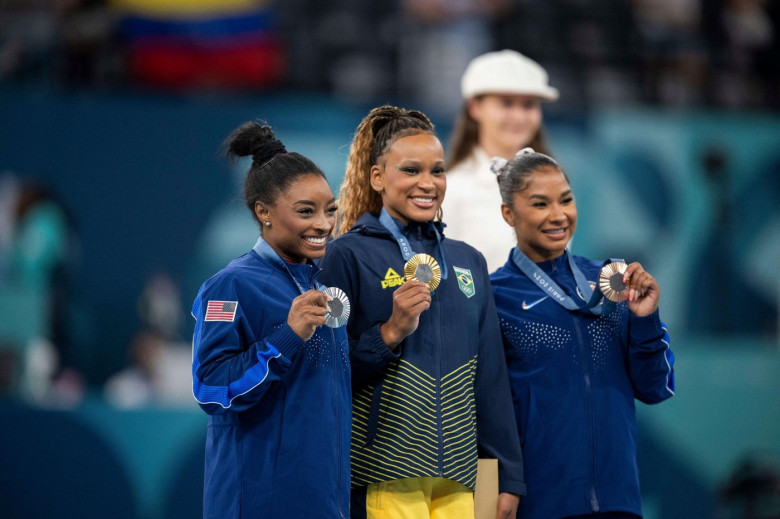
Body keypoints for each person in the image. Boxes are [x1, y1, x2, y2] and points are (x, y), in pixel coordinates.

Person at [319, 105, 524, 519]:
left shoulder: (468, 261)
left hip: (461, 478)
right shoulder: (347, 255)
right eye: (411, 170)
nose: (427, 183)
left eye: (437, 171)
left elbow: (490, 378)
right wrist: (390, 333)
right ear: (378, 177)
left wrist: (508, 476)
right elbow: (326, 369)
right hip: (384, 472)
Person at [489, 148, 676, 519]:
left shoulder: (610, 282)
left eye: (566, 200)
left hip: (618, 499)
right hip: (539, 503)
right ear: (508, 213)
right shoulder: (495, 296)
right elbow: (486, 409)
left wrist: (645, 319)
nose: (558, 215)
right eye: (540, 204)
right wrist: (499, 488)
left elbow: (655, 388)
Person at [190, 121, 350, 519]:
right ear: (263, 211)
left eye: (330, 210)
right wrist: (288, 336)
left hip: (324, 501)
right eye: (305, 211)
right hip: (259, 503)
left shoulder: (325, 285)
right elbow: (210, 386)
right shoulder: (231, 285)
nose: (324, 224)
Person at [442, 49, 559, 272]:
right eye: (506, 103)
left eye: (528, 105)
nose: (518, 116)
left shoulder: (553, 182)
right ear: (474, 108)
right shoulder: (450, 189)